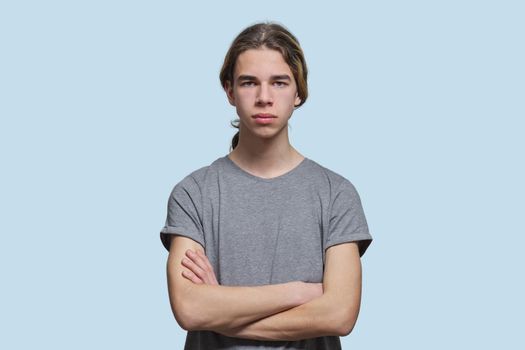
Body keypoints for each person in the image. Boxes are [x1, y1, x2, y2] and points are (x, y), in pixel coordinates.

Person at [160, 21, 373, 349]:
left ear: (298, 92)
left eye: (279, 83)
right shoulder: (193, 193)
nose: (264, 98)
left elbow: (339, 314)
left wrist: (223, 311)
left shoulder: (337, 194)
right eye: (249, 83)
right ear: (229, 90)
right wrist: (301, 292)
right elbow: (190, 309)